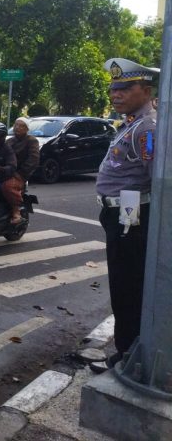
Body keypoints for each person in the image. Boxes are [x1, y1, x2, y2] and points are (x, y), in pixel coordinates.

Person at [91, 58, 159, 372]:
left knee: (127, 287)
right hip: (121, 213)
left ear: (145, 90)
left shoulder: (147, 127)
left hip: (131, 214)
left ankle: (128, 355)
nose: (115, 94)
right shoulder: (132, 122)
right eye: (113, 88)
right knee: (124, 284)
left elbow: (156, 179)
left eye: (124, 88)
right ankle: (127, 350)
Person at [2, 117, 40, 223]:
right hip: (5, 172)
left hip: (19, 175)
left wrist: (21, 174)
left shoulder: (31, 141)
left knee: (8, 186)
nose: (17, 127)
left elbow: (34, 160)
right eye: (16, 125)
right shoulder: (9, 141)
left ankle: (16, 212)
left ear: (27, 129)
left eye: (21, 126)